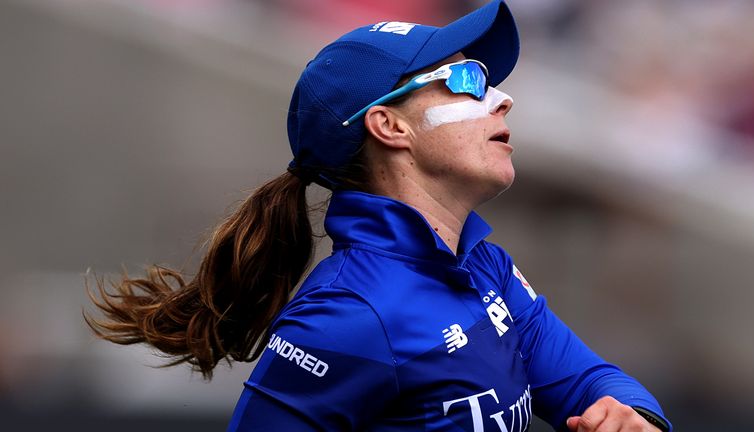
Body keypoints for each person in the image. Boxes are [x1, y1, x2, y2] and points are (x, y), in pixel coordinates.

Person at [85, 1, 672, 431]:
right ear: (388, 126)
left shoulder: (484, 267)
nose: (501, 97)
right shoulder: (347, 316)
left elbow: (589, 380)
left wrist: (633, 419)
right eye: (467, 81)